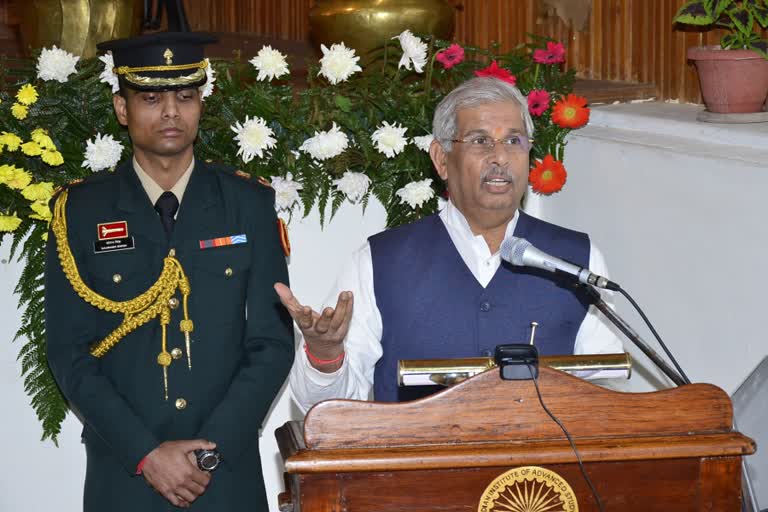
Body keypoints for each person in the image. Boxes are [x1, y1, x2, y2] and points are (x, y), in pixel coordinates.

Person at [44, 32, 293, 511]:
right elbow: (69, 352)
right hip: (125, 475)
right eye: (151, 98)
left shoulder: (247, 204)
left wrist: (212, 448)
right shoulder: (79, 211)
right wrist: (145, 453)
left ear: (201, 103)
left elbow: (272, 342)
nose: (171, 112)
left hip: (225, 475)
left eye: (185, 96)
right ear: (122, 108)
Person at [277, 77, 622, 412]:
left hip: (539, 471)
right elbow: (322, 406)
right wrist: (325, 355)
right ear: (442, 159)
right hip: (418, 467)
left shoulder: (576, 260)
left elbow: (605, 397)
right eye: (480, 141)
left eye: (514, 141)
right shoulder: (380, 262)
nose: (500, 157)